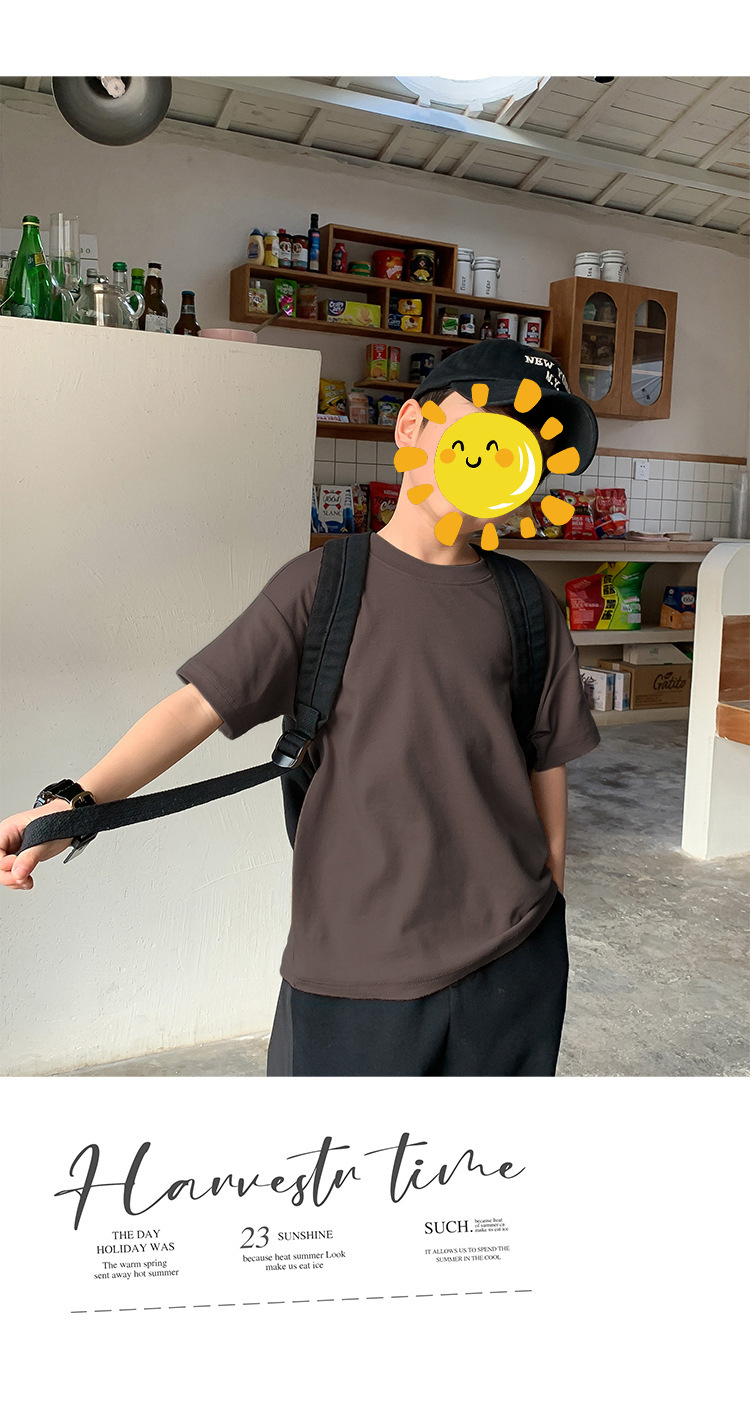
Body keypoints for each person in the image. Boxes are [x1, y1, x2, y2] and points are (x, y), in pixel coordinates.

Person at [1, 341, 600, 1077]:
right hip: (353, 964)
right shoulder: (325, 585)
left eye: (529, 446)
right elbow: (193, 709)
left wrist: (551, 891)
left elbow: (545, 756)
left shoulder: (528, 603)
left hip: (513, 957)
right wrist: (72, 804)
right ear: (411, 427)